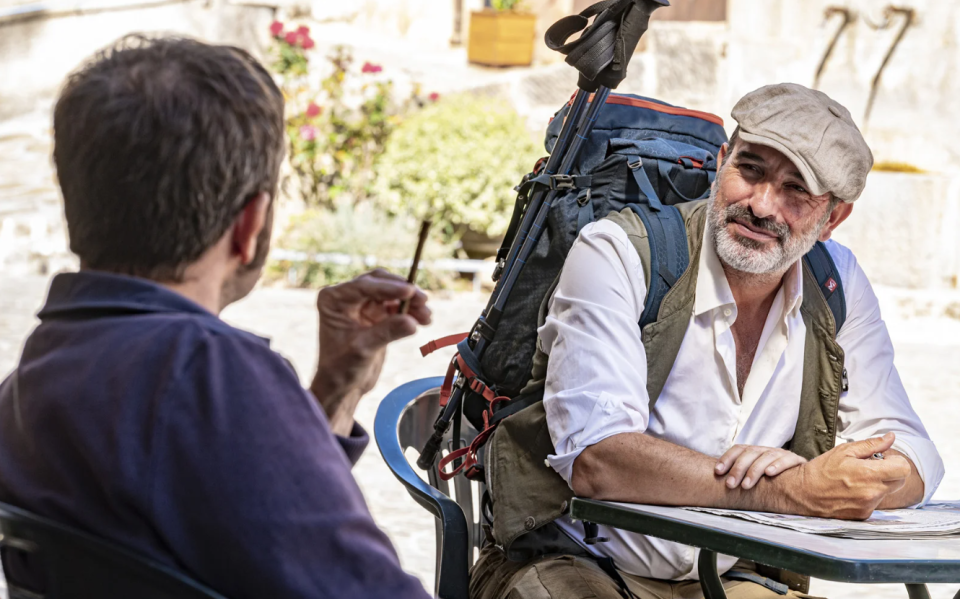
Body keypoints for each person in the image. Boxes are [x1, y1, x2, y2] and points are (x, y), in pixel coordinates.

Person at [470, 84, 945, 599]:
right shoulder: (619, 252)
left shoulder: (837, 282)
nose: (762, 205)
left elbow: (913, 449)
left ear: (833, 217)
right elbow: (598, 458)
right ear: (723, 161)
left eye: (795, 191)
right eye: (752, 170)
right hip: (579, 561)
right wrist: (792, 490)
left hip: (726, 578)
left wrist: (866, 481)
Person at [0, 36, 434, 599]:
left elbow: (250, 517)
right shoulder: (204, 376)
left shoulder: (38, 374)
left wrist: (334, 389)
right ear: (251, 223)